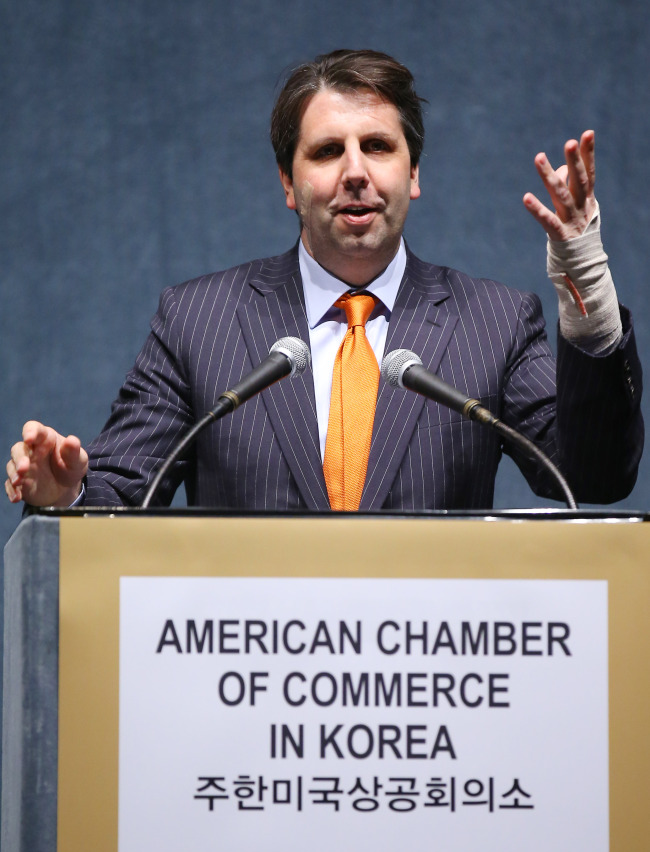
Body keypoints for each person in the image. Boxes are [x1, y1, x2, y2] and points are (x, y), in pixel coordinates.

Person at [5, 49, 643, 512]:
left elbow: (591, 479)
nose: (356, 172)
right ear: (289, 183)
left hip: (429, 679)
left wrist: (588, 304)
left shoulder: (494, 323)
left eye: (379, 146)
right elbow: (123, 494)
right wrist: (70, 496)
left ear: (413, 176)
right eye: (328, 151)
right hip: (250, 679)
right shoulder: (198, 321)